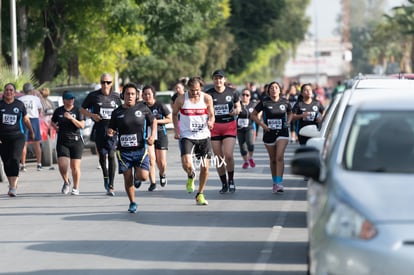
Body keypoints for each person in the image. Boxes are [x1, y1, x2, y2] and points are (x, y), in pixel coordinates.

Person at [107, 83, 156, 213]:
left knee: (144, 176)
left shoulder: (143, 108)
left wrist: (152, 136)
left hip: (140, 149)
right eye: (128, 94)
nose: (130, 96)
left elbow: (153, 121)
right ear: (123, 95)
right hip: (124, 152)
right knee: (127, 179)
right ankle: (132, 202)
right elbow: (111, 128)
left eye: (133, 94)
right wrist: (110, 132)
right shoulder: (117, 112)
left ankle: (137, 177)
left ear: (136, 96)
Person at [172, 76, 215, 205]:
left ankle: (200, 194)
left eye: (197, 90)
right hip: (187, 135)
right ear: (188, 88)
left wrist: (211, 121)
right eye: (191, 90)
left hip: (203, 135)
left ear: (201, 88)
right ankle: (191, 175)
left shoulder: (207, 98)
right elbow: (174, 114)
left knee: (205, 168)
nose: (194, 93)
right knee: (187, 164)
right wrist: (176, 130)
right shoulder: (181, 99)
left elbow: (212, 114)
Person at [80, 73, 122, 196]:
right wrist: (92, 115)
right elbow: (82, 109)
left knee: (111, 154)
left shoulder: (117, 97)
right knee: (102, 156)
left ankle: (111, 185)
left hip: (112, 130)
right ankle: (105, 175)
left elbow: (123, 109)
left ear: (111, 83)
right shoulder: (93, 96)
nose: (105, 85)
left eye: (108, 82)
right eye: (103, 82)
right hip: (99, 129)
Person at [251, 81, 292, 193]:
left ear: (280, 90)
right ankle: (275, 182)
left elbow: (290, 113)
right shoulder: (264, 102)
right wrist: (263, 125)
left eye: (276, 87)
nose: (274, 89)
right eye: (271, 88)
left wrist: (288, 121)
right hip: (268, 133)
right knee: (273, 159)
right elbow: (253, 115)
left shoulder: (285, 102)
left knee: (279, 157)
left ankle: (279, 183)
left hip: (283, 132)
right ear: (268, 90)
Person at [205, 70, 241, 194]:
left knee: (228, 155)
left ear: (224, 80)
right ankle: (224, 183)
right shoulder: (208, 94)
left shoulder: (233, 92)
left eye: (220, 78)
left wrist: (236, 111)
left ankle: (231, 180)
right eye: (216, 78)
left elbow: (238, 107)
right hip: (214, 127)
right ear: (213, 80)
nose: (218, 80)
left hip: (229, 126)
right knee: (219, 158)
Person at [0, 83, 35, 197]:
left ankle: (13, 186)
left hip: (17, 136)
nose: (8, 92)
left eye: (11, 90)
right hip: (3, 137)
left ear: (14, 93)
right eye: (6, 90)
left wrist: (31, 131)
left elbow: (25, 119)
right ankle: (11, 184)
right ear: (4, 92)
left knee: (15, 159)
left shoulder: (19, 105)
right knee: (6, 161)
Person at [51, 91, 85, 195]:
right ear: (64, 100)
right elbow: (52, 121)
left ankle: (75, 187)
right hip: (62, 141)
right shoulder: (58, 111)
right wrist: (55, 127)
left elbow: (82, 125)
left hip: (76, 141)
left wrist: (71, 118)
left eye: (72, 98)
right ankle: (66, 181)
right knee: (62, 165)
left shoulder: (78, 110)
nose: (71, 100)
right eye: (69, 98)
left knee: (75, 167)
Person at [142, 85, 172, 191]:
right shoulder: (141, 106)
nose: (147, 96)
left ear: (153, 95)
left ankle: (162, 174)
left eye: (149, 94)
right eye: (144, 94)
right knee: (151, 159)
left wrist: (156, 121)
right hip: (147, 134)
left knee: (161, 162)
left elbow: (169, 119)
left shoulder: (160, 105)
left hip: (160, 133)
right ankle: (153, 183)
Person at [19, 83, 44, 171]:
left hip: (23, 120)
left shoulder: (20, 99)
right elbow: (40, 110)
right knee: (36, 142)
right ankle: (39, 164)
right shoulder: (36, 98)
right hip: (34, 120)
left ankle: (23, 165)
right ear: (31, 90)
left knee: (24, 143)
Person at [237, 88, 257, 169]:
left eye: (247, 95)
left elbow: (258, 113)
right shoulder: (238, 104)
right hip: (239, 129)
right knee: (242, 147)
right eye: (243, 95)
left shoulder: (253, 105)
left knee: (250, 144)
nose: (245, 96)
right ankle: (245, 161)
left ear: (250, 96)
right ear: (241, 96)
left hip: (249, 127)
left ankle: (250, 158)